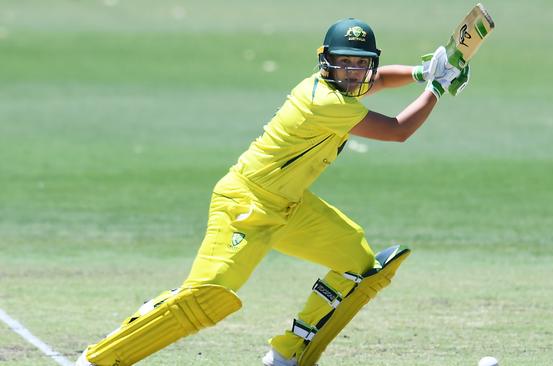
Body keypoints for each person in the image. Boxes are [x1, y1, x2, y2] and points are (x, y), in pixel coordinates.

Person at [76, 17, 469, 366]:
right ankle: (98, 361)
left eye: (360, 63)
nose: (353, 72)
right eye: (345, 62)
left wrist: (422, 72)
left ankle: (287, 354)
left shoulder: (344, 90)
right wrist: (436, 87)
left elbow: (380, 80)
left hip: (288, 207)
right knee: (205, 298)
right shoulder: (323, 101)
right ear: (326, 60)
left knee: (358, 262)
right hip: (244, 203)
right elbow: (398, 130)